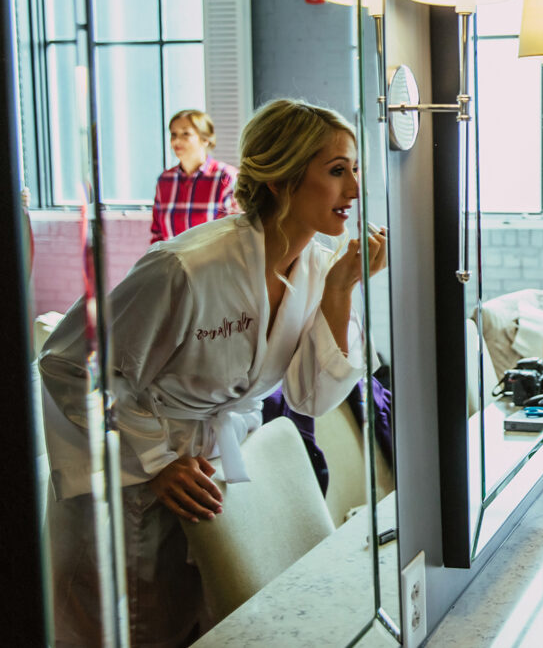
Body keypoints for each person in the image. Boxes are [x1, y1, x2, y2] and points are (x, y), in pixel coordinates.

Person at [39, 98, 387, 646]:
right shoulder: (187, 266)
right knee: (126, 629)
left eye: (355, 170)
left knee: (200, 623)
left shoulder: (320, 268)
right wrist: (157, 461)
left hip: (211, 469)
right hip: (131, 476)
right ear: (281, 178)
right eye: (337, 170)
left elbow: (310, 397)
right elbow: (66, 364)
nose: (355, 189)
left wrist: (343, 290)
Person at [151, 109, 238, 243]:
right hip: (172, 263)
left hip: (215, 263)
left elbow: (236, 233)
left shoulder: (226, 177)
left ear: (205, 139)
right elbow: (157, 234)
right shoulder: (164, 180)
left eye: (186, 134)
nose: (177, 141)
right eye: (173, 134)